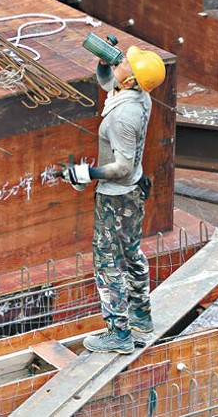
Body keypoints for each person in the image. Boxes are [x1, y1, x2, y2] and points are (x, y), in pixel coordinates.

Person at [59, 45, 166, 354]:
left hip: (116, 199)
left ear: (131, 81)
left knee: (108, 263)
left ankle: (118, 333)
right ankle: (141, 317)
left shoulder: (123, 118)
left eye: (125, 63)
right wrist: (105, 62)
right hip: (132, 194)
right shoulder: (136, 93)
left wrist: (87, 173)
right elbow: (108, 81)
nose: (121, 61)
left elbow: (122, 167)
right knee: (132, 253)